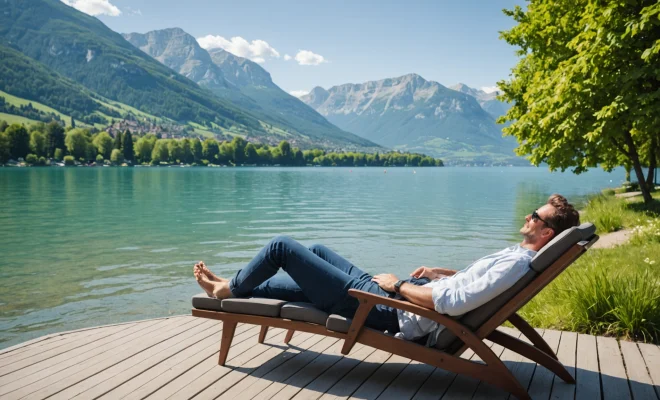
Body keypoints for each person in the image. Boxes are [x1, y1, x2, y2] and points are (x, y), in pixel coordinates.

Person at [194, 194, 580, 344]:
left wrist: (397, 286)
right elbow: (461, 285)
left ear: (546, 232)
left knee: (282, 247)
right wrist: (434, 274)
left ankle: (228, 290)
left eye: (535, 216)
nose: (527, 216)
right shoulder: (518, 257)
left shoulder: (515, 265)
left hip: (386, 309)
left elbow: (452, 302)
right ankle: (234, 285)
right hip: (390, 296)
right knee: (314, 250)